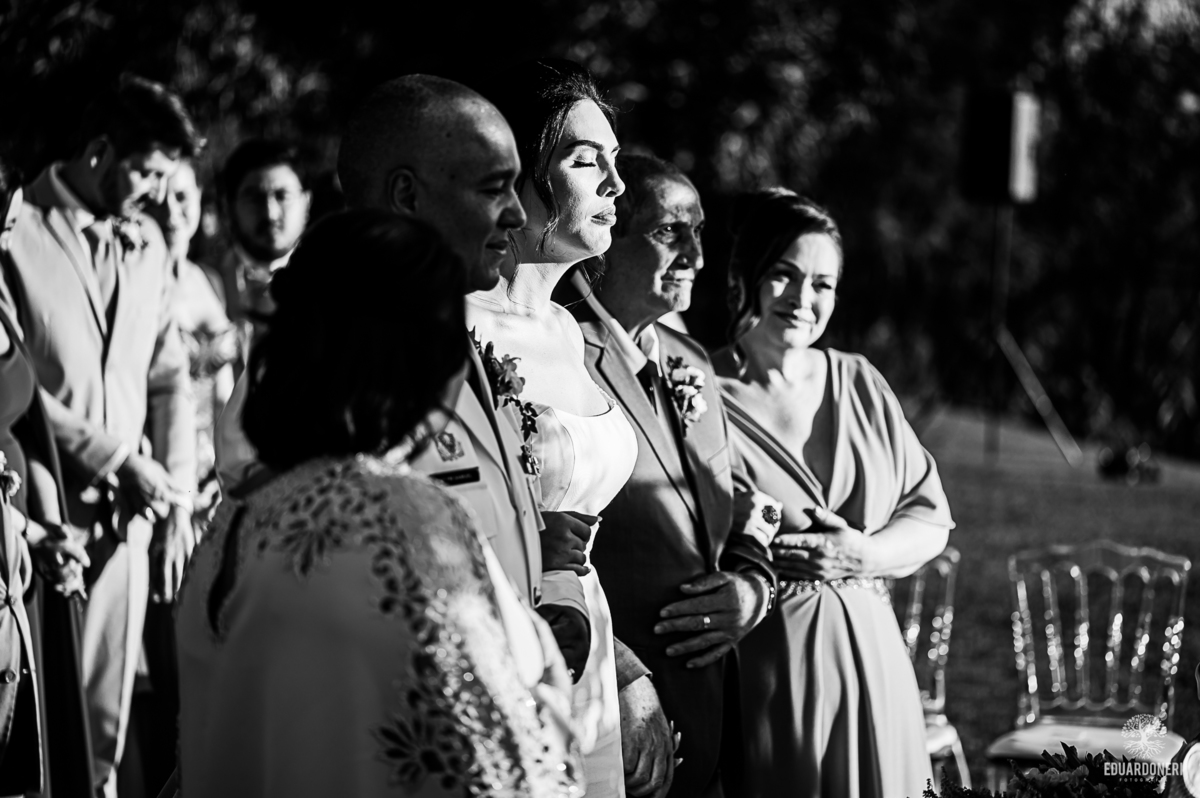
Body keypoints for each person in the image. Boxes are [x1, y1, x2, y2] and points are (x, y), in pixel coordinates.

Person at [176, 209, 581, 798]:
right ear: (430, 361)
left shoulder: (235, 521)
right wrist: (549, 647)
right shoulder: (403, 519)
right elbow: (506, 770)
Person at [217, 74, 592, 701]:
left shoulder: (453, 335)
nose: (518, 214)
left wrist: (548, 574)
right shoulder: (322, 360)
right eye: (493, 187)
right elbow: (312, 574)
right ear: (406, 195)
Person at [711, 189, 954, 798]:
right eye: (784, 277)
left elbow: (930, 521)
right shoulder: (699, 389)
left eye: (823, 284)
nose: (803, 300)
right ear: (746, 276)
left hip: (875, 672)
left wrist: (863, 556)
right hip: (764, 677)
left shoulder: (860, 382)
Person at [0, 74, 201, 796]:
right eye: (146, 172)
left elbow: (171, 375)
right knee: (51, 731)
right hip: (45, 514)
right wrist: (116, 457)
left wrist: (173, 493)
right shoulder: (15, 233)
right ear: (98, 152)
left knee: (110, 730)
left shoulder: (148, 242)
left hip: (136, 523)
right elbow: (15, 381)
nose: (153, 193)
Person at [562, 153, 780, 798]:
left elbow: (744, 502)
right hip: (617, 725)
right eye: (668, 232)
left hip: (718, 716)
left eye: (700, 231)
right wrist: (620, 678)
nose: (696, 255)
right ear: (607, 239)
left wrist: (753, 585)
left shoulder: (690, 360)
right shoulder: (564, 354)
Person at [467, 58, 640, 798]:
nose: (616, 184)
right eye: (583, 160)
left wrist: (623, 666)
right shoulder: (463, 326)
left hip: (588, 639)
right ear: (520, 175)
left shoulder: (571, 332)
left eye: (616, 163)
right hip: (499, 643)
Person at [148, 159, 237, 512]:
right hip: (163, 468)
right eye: (157, 199)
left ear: (200, 197)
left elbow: (224, 392)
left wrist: (225, 471)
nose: (171, 211)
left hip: (217, 474)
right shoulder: (138, 288)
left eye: (182, 196)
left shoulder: (208, 278)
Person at [214, 139, 310, 375]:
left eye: (282, 195)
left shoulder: (334, 285)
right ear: (228, 207)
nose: (270, 212)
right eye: (254, 197)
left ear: (307, 202)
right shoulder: (203, 284)